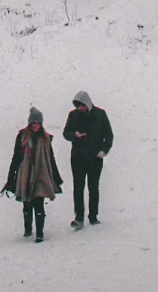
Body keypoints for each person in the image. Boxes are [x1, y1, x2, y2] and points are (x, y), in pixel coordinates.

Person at [2, 107, 63, 242]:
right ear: (30, 124)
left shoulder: (46, 138)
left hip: (41, 174)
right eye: (34, 123)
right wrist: (10, 177)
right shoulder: (22, 137)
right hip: (25, 174)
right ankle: (28, 229)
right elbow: (16, 157)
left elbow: (50, 158)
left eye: (38, 123)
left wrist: (56, 177)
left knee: (39, 203)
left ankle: (40, 233)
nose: (36, 125)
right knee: (27, 203)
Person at [63, 90, 114, 230]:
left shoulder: (100, 114)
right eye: (78, 106)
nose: (81, 109)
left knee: (93, 187)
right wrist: (75, 135)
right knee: (78, 188)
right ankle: (79, 217)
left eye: (82, 106)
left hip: (95, 158)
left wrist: (103, 151)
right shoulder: (73, 116)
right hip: (77, 158)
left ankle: (93, 216)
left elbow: (108, 135)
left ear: (88, 103)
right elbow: (66, 133)